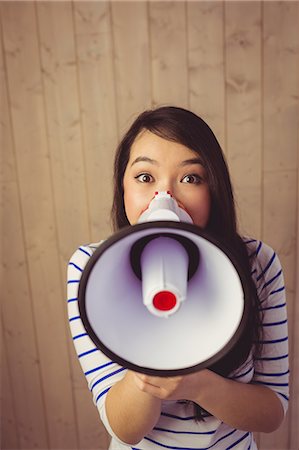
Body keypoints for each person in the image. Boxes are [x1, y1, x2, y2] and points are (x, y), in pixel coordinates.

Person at [67, 106, 289, 450]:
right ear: (122, 187)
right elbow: (125, 429)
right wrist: (150, 361)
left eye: (190, 178)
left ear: (213, 188)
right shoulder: (91, 268)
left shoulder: (257, 263)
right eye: (145, 177)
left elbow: (272, 414)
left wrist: (199, 386)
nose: (165, 197)